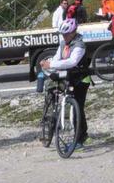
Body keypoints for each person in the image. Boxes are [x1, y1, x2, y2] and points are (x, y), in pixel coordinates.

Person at [39, 18, 90, 149]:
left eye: (66, 34)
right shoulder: (63, 43)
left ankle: (79, 139)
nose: (64, 36)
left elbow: (72, 62)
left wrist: (51, 64)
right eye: (62, 34)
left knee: (77, 109)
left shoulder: (79, 45)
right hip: (67, 77)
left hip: (81, 79)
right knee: (50, 87)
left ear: (74, 32)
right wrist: (48, 66)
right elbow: (57, 58)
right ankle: (50, 120)